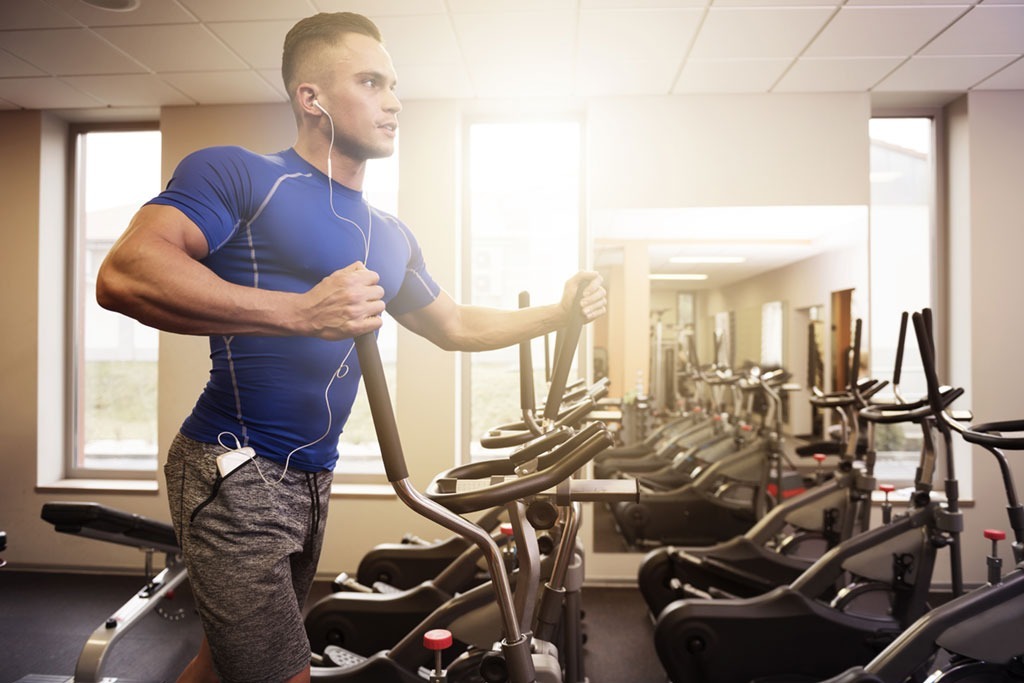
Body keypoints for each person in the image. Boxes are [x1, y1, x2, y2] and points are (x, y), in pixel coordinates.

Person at [96, 11, 606, 683]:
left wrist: (560, 312)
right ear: (312, 98)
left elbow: (453, 325)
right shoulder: (242, 175)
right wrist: (301, 312)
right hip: (233, 467)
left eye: (394, 84)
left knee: (224, 663)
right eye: (371, 82)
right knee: (283, 672)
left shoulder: (390, 233)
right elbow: (126, 271)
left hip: (312, 477)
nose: (393, 100)